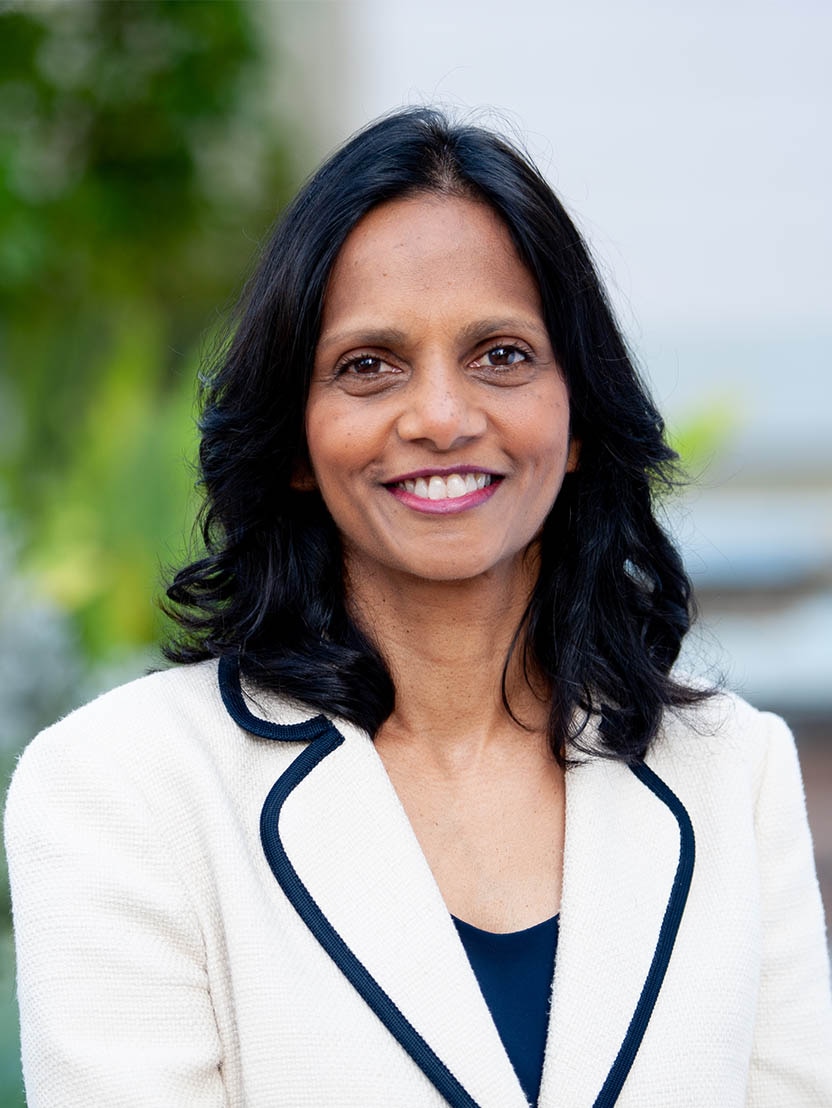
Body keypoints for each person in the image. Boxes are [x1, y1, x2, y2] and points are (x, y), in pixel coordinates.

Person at [5, 107, 831, 1108]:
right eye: (368, 366)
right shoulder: (121, 790)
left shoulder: (731, 772)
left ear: (576, 419)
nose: (441, 415)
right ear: (296, 439)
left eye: (501, 355)